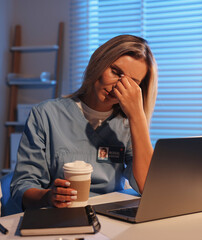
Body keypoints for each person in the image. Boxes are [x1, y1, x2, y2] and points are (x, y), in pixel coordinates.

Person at [10, 34, 158, 209]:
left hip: (109, 219)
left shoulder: (127, 125)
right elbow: (22, 186)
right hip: (59, 216)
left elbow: (149, 188)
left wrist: (138, 117)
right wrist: (48, 197)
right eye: (116, 72)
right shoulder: (46, 114)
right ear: (99, 63)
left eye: (132, 83)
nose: (119, 86)